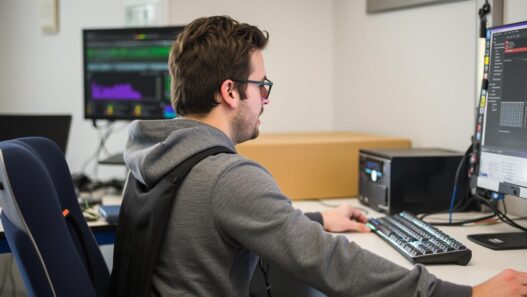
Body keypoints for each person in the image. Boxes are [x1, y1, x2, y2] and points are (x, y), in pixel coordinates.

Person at [113, 15, 527, 297]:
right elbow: (333, 264)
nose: (265, 100)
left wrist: (316, 219)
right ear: (230, 92)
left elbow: (214, 220)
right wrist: (464, 293)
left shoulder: (157, 153)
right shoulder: (227, 176)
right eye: (262, 86)